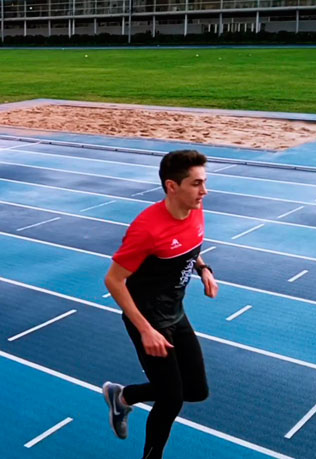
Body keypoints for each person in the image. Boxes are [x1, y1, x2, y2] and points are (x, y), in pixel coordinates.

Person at [101, 150, 219, 459]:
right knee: (171, 398)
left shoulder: (195, 210)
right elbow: (113, 280)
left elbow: (191, 246)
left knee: (196, 390)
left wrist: (204, 270)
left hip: (175, 313)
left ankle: (123, 396)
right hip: (148, 319)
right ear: (172, 186)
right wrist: (145, 330)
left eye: (204, 182)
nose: (204, 192)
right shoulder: (147, 229)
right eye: (196, 184)